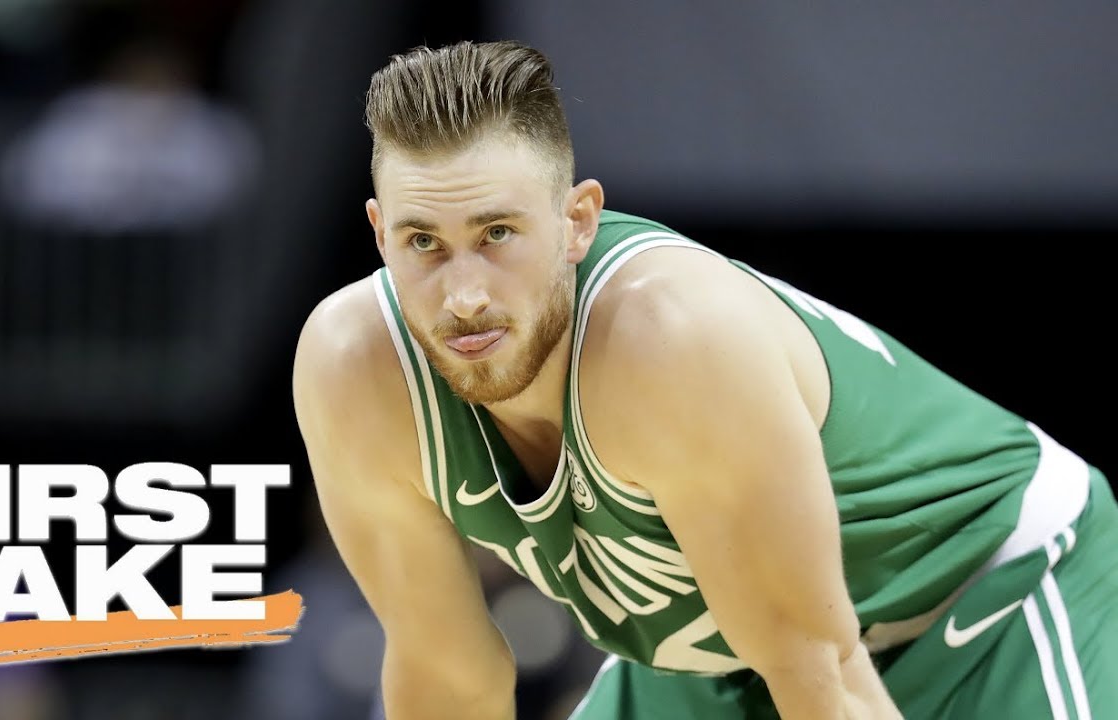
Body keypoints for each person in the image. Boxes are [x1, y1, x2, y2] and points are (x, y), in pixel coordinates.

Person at [291, 40, 1117, 719]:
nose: (464, 296)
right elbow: (448, 678)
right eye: (424, 243)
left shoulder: (669, 340)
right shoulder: (352, 366)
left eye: (497, 233)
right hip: (722, 655)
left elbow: (824, 681)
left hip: (983, 594)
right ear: (379, 234)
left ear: (578, 222)